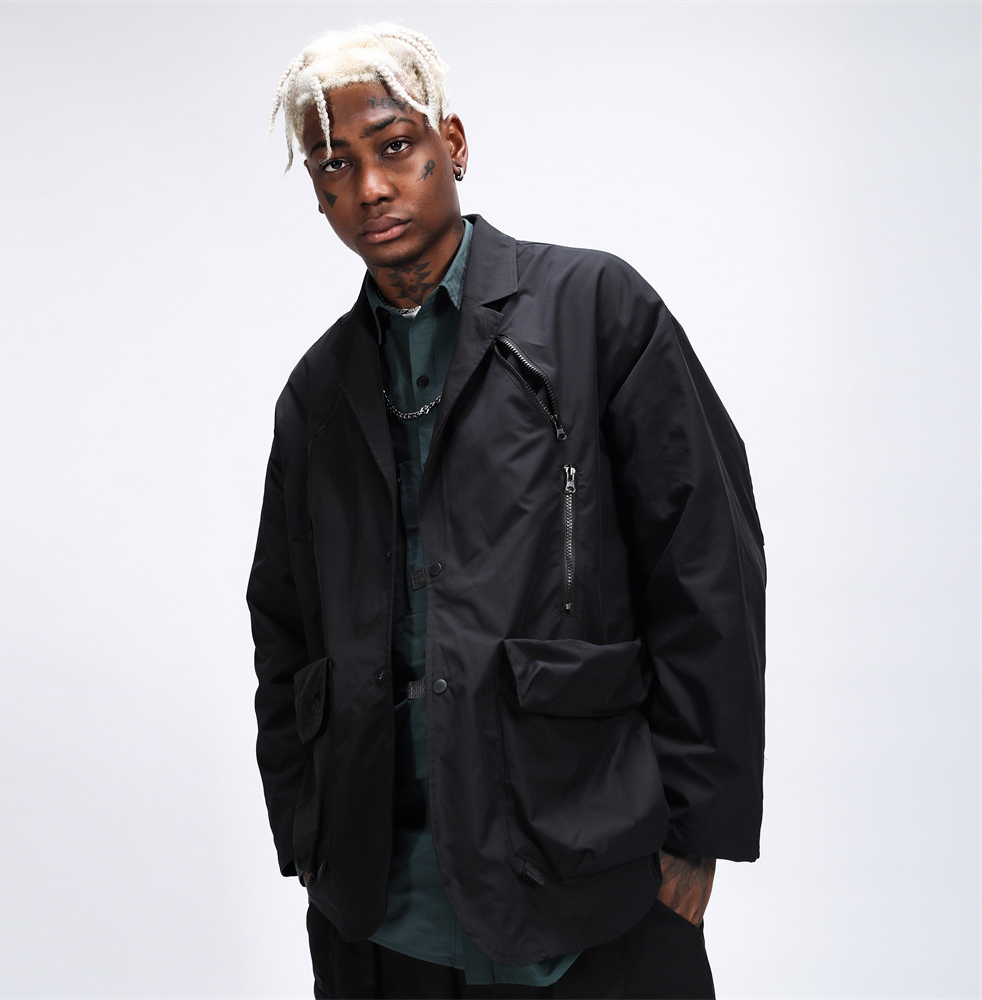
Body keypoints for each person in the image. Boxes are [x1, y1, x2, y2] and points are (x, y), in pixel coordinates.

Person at [248, 23, 765, 1000]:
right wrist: (306, 834)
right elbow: (282, 626)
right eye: (335, 164)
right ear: (317, 193)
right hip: (380, 908)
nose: (371, 187)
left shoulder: (594, 310)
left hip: (587, 873)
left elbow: (706, 566)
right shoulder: (317, 393)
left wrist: (699, 826)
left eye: (394, 145)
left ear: (452, 143)